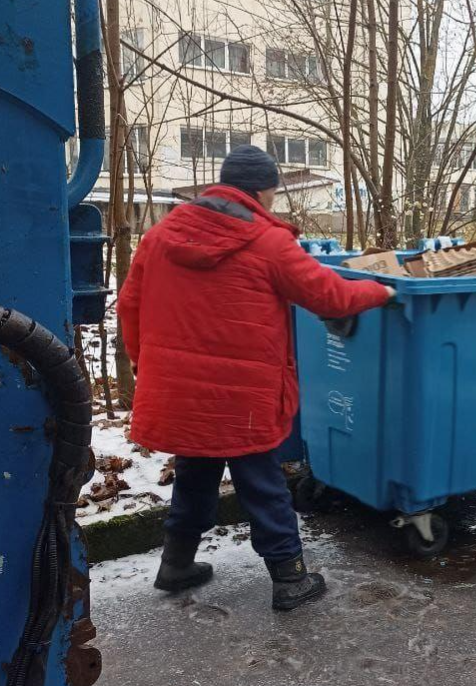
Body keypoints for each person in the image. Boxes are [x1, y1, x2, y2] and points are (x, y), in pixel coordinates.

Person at [118, 145, 394, 611]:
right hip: (241, 399)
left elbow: (129, 307)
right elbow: (328, 296)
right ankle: (290, 579)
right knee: (262, 484)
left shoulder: (159, 237)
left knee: (195, 473)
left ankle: (176, 564)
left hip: (180, 391)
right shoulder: (267, 242)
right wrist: (380, 290)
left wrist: (149, 368)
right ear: (262, 192)